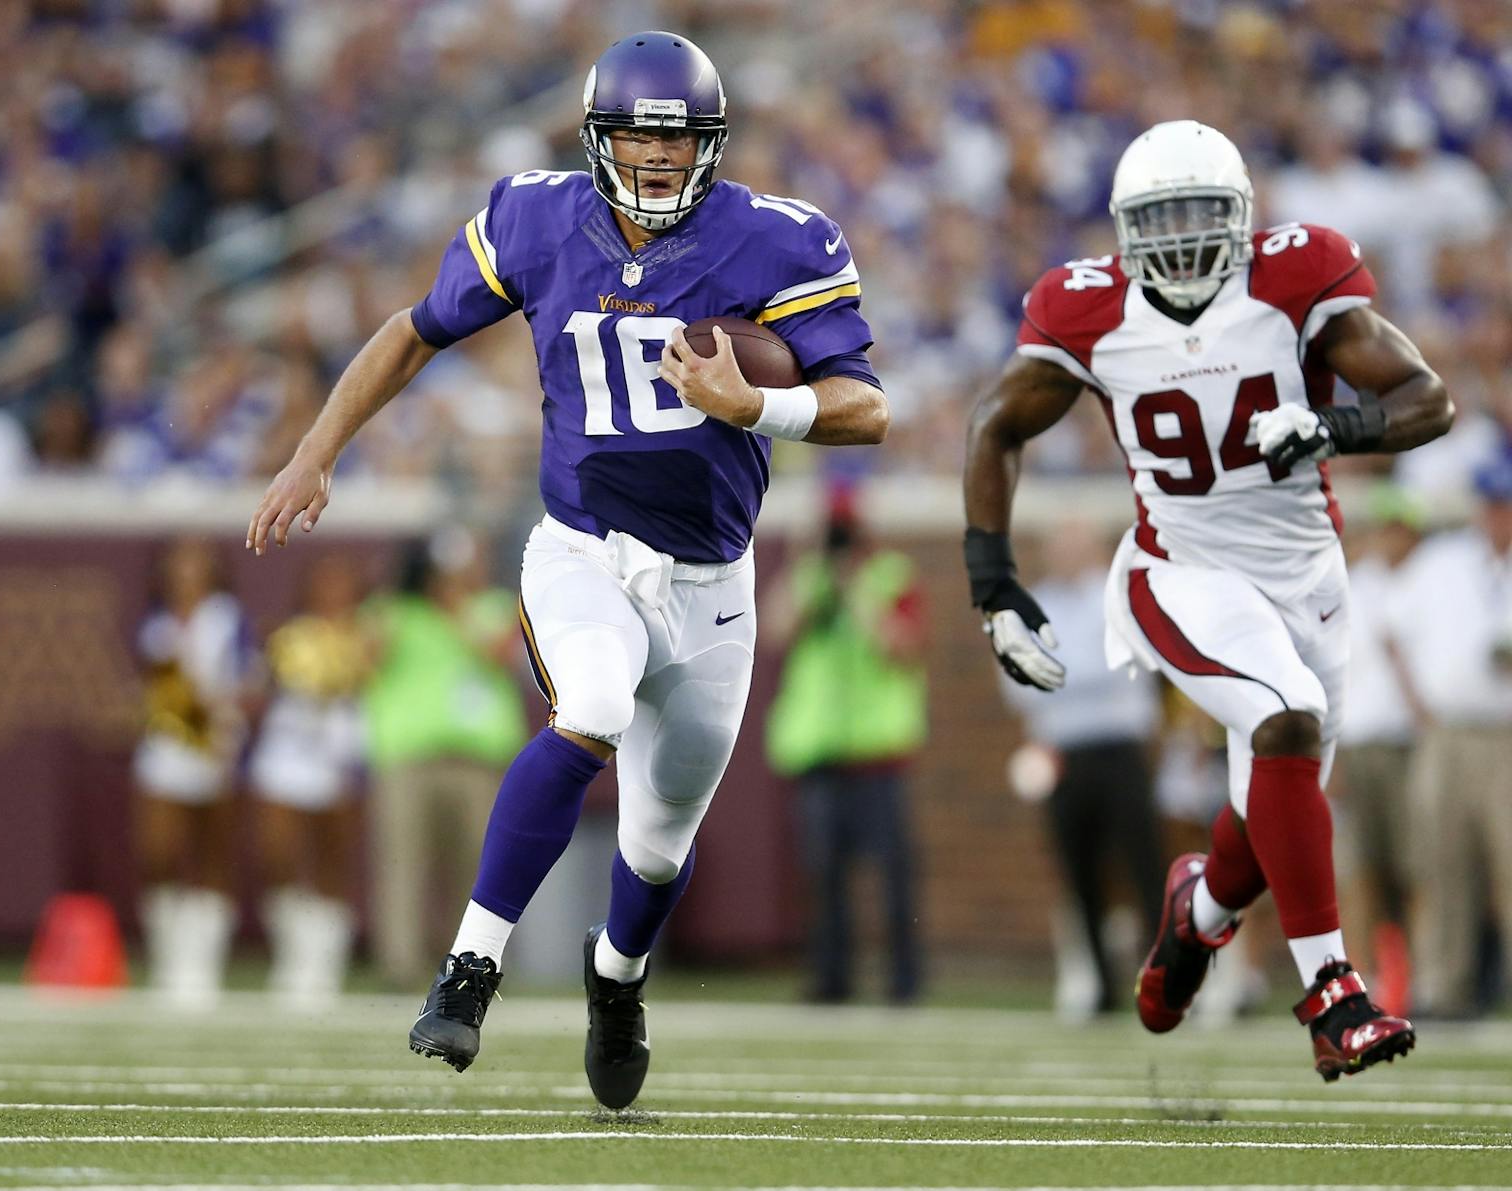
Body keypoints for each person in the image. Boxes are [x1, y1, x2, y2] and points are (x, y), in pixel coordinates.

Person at [247, 32, 888, 1110]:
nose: (658, 157)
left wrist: (756, 405)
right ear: (597, 137)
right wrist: (317, 450)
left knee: (657, 842)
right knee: (589, 704)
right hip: (583, 546)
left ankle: (616, 976)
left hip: (712, 583)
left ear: (713, 145)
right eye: (638, 135)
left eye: (679, 139)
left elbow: (866, 408)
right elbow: (413, 331)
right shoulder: (535, 218)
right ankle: (470, 965)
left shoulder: (781, 240)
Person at [963, 120, 1452, 1080]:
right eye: (1160, 219)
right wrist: (993, 582)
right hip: (1178, 569)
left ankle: (1199, 913)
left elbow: (1426, 398)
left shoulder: (1295, 276)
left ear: (1242, 218)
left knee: (1271, 812)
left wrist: (1332, 424)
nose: (1182, 237)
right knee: (1285, 719)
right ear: (1123, 229)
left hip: (1307, 577)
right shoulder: (1086, 307)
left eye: (1199, 214)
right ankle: (1333, 994)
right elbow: (996, 424)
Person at [761, 486, 927, 1004]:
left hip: (878, 754)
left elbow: (902, 646)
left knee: (893, 874)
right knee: (822, 876)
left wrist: (857, 589)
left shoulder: (889, 576)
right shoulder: (809, 579)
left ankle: (904, 981)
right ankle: (831, 980)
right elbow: (775, 631)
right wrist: (807, 565)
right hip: (820, 753)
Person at [999, 520, 1164, 1016]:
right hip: (1062, 754)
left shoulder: (1117, 600)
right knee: (1079, 872)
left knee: (1144, 865)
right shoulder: (1033, 605)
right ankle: (1100, 986)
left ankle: (1167, 979)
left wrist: (1057, 673)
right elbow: (1017, 682)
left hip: (1119, 747)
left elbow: (1124, 666)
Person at [360, 531, 527, 989]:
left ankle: (473, 966)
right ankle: (400, 965)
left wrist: (454, 608)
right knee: (403, 863)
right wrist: (393, 593)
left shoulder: (494, 607)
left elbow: (500, 656)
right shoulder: (394, 611)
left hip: (477, 761)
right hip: (408, 757)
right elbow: (367, 660)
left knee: (479, 869)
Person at [1386, 457, 1512, 1017]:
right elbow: (1393, 632)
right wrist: (1418, 707)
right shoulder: (1442, 562)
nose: (1499, 516)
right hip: (1446, 731)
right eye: (1493, 505)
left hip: (1505, 733)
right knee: (1440, 861)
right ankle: (1442, 985)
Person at [248, 554, 372, 1008]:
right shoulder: (287, 636)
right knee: (277, 852)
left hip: (340, 755)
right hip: (287, 753)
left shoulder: (369, 637)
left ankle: (324, 962)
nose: (332, 594)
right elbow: (261, 688)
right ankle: (292, 951)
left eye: (341, 585)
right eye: (324, 584)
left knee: (332, 859)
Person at [133, 537, 253, 1010]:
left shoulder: (227, 617)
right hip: (166, 748)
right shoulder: (155, 623)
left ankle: (202, 963)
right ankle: (168, 954)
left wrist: (222, 719)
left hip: (216, 744)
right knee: (158, 851)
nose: (186, 573)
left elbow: (247, 679)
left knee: (212, 853)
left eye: (196, 564)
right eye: (179, 564)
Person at [1334, 482, 1428, 1012]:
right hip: (1359, 742)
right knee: (1360, 868)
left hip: (1410, 745)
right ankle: (1364, 974)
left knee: (1417, 866)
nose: (1390, 537)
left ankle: (1418, 973)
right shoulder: (1357, 584)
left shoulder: (1431, 580)